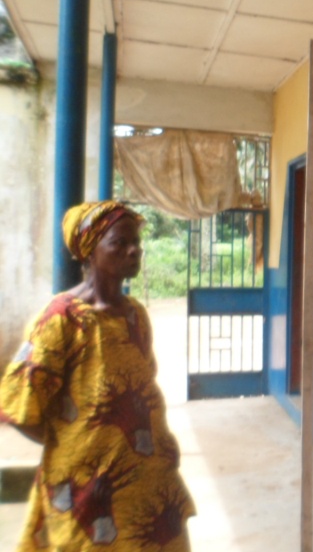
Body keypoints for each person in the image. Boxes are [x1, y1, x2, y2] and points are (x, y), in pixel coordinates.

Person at [0, 200, 195, 551]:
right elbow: (17, 407)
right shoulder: (61, 319)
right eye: (119, 242)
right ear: (89, 251)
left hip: (146, 487)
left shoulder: (135, 315)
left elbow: (143, 387)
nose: (134, 250)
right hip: (89, 496)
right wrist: (76, 444)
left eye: (136, 242)